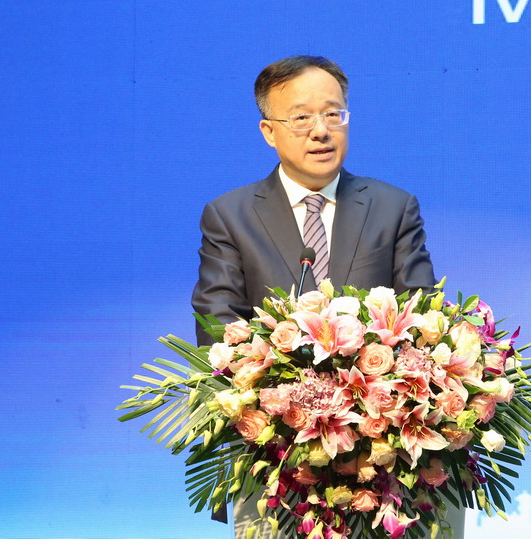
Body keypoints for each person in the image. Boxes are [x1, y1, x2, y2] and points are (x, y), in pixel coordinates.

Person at [191, 56, 464, 538]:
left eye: (333, 114)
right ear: (269, 131)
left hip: (384, 456)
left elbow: (423, 318)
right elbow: (217, 325)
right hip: (279, 459)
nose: (321, 130)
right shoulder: (230, 215)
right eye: (301, 117)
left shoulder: (392, 207)